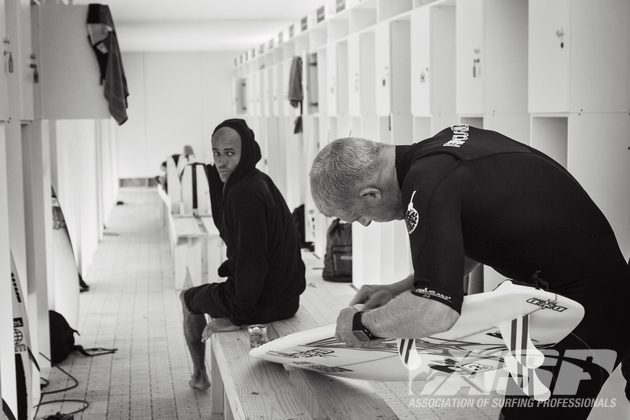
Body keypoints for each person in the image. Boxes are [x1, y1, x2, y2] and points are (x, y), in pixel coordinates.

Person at [309, 124, 630, 419]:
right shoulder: (444, 150)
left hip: (587, 306)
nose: (365, 224)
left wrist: (362, 323)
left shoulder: (428, 188)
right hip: (599, 284)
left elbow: (437, 311)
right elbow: (475, 237)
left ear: (371, 194)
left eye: (358, 217)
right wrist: (399, 289)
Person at [180, 118, 306, 390]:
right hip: (284, 295)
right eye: (216, 153)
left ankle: (200, 376)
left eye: (229, 153)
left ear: (245, 152)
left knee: (187, 298)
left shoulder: (243, 194)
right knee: (232, 295)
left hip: (265, 300)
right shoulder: (257, 180)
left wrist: (238, 317)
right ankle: (254, 360)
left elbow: (252, 263)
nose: (221, 162)